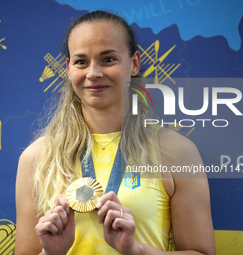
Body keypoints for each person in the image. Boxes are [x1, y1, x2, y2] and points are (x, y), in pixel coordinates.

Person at [15, 11, 216, 255]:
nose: (93, 73)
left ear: (134, 63)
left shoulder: (176, 152)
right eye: (81, 62)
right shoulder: (36, 158)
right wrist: (51, 253)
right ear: (68, 68)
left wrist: (135, 250)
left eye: (108, 59)